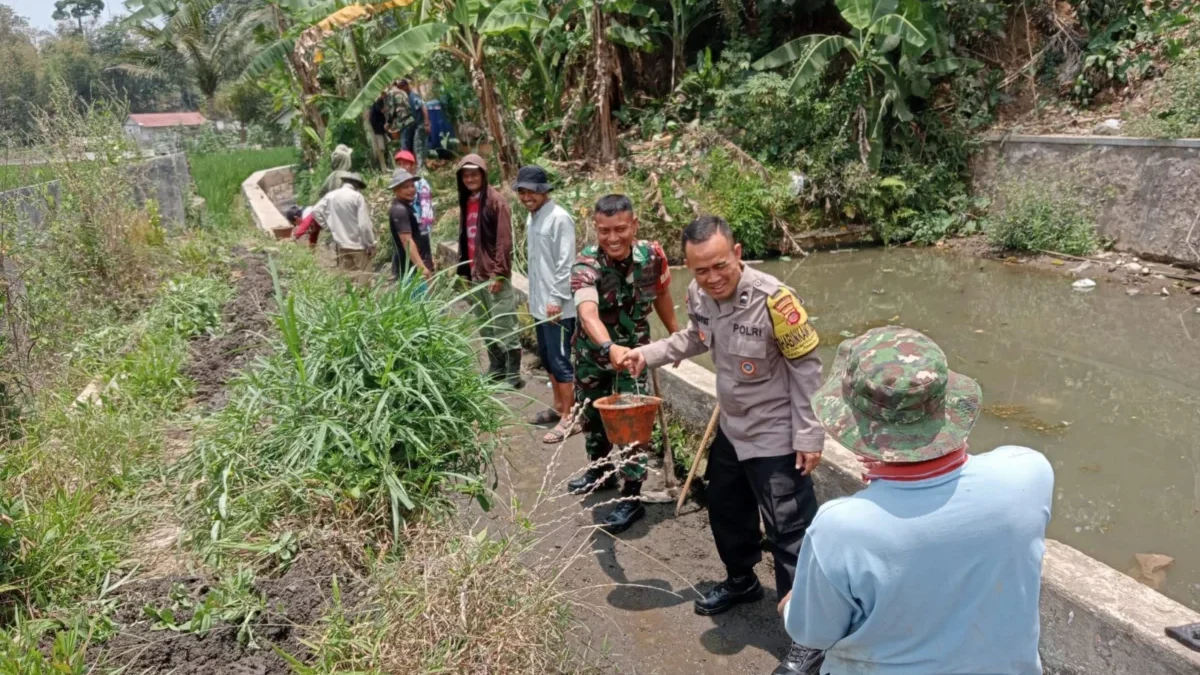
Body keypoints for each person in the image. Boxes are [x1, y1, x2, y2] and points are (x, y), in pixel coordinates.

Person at [778, 327, 1054, 675]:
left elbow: (812, 633)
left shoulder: (841, 526)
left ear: (853, 426)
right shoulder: (1028, 473)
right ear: (948, 402)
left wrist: (792, 606)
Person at [620, 215, 824, 675]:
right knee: (725, 509)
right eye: (700, 270)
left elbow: (808, 370)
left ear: (737, 253)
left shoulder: (777, 302)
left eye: (719, 266)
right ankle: (742, 580)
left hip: (776, 434)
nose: (711, 278)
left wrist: (809, 434)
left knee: (790, 535)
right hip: (733, 428)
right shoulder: (699, 296)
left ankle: (808, 636)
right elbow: (694, 337)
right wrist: (645, 354)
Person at [567, 194, 679, 534]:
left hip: (635, 356)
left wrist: (675, 336)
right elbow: (587, 312)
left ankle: (631, 497)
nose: (612, 238)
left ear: (634, 225)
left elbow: (661, 293)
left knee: (632, 423)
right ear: (595, 229)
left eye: (620, 229)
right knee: (592, 415)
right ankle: (600, 471)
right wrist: (608, 346)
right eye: (604, 231)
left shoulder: (653, 257)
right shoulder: (586, 265)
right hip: (593, 354)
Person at [515, 165, 578, 443]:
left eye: (532, 191)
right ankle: (558, 407)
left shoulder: (559, 218)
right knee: (548, 358)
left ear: (544, 191)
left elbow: (566, 264)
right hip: (541, 304)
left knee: (561, 360)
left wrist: (555, 299)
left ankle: (571, 417)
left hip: (558, 307)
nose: (527, 196)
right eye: (522, 191)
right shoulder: (533, 218)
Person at [455, 154, 523, 389]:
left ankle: (513, 375)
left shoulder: (496, 201)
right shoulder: (468, 201)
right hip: (475, 275)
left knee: (504, 323)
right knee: (485, 324)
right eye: (466, 175)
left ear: (483, 174)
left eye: (474, 174)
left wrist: (499, 273)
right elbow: (466, 238)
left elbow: (504, 241)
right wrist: (463, 273)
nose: (470, 178)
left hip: (493, 275)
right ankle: (496, 369)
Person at [310, 172, 375, 272]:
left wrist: (328, 227)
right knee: (364, 280)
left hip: (341, 245)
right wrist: (370, 244)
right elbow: (364, 225)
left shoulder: (331, 196)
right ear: (357, 185)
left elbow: (315, 211)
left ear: (344, 182)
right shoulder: (357, 197)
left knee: (349, 279)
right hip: (359, 246)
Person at [387, 168, 434, 287]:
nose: (411, 190)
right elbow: (406, 241)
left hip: (418, 266)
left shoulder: (407, 207)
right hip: (413, 271)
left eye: (412, 186)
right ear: (395, 190)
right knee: (420, 302)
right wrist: (421, 267)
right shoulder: (400, 210)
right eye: (405, 187)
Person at [395, 150, 434, 239]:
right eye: (399, 164)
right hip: (405, 228)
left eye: (405, 164)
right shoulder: (398, 184)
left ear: (413, 166)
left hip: (419, 230)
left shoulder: (421, 184)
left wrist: (423, 231)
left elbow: (426, 208)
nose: (401, 167)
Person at [396, 79, 430, 173]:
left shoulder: (413, 96)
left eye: (401, 87)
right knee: (417, 147)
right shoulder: (407, 97)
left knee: (419, 147)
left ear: (406, 86)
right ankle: (420, 168)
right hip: (417, 125)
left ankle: (421, 169)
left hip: (421, 125)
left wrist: (427, 123)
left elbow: (423, 107)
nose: (401, 90)